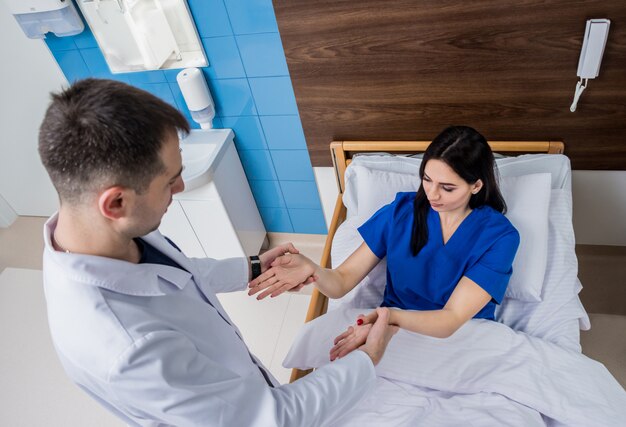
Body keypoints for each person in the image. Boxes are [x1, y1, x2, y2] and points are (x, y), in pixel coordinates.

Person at [38, 78, 397, 426]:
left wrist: (252, 267)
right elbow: (273, 418)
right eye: (170, 180)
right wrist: (367, 358)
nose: (180, 187)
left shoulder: (96, 234)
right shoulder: (128, 348)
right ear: (116, 202)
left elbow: (175, 274)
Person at [249, 126, 520, 361]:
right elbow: (341, 281)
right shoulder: (401, 213)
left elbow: (450, 319)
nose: (432, 194)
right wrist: (313, 270)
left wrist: (389, 317)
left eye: (447, 188)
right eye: (427, 179)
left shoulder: (499, 237)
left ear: (476, 186)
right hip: (387, 331)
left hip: (462, 340)